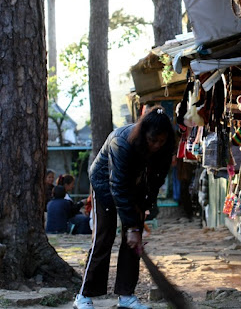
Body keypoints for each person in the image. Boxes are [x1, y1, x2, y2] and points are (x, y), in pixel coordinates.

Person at [74, 107, 175, 309]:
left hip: (135, 187)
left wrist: (145, 208)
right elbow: (118, 187)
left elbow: (156, 179)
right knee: (104, 237)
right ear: (144, 133)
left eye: (161, 142)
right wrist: (131, 227)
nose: (156, 145)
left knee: (133, 244)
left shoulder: (164, 147)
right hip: (105, 186)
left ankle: (126, 295)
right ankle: (83, 296)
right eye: (153, 140)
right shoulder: (121, 142)